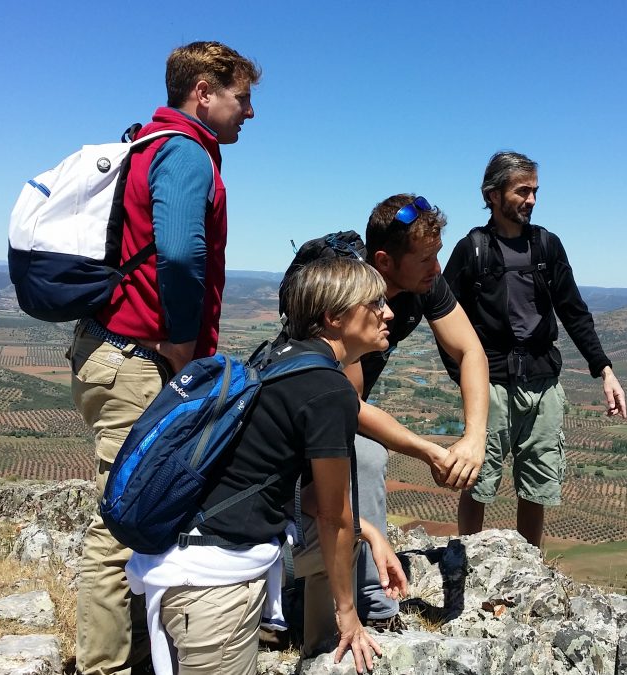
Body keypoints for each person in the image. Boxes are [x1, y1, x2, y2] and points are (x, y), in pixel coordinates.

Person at [68, 41, 259, 675]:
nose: (249, 114)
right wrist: (181, 342)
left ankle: (138, 651)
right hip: (138, 358)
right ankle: (104, 665)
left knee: (139, 504)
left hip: (114, 351)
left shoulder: (149, 144)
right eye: (242, 97)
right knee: (121, 516)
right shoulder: (183, 152)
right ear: (203, 91)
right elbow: (180, 255)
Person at [127, 256, 408, 675]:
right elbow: (332, 515)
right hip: (213, 587)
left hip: (182, 553)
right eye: (374, 304)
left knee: (350, 536)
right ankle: (336, 635)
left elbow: (289, 488)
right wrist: (350, 614)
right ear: (333, 317)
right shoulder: (328, 390)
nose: (388, 313)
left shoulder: (279, 357)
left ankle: (321, 650)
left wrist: (367, 532)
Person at [296, 194, 490, 651]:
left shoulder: (422, 284)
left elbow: (470, 351)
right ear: (384, 261)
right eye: (425, 258)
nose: (437, 269)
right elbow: (349, 404)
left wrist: (474, 437)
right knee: (365, 457)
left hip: (340, 406)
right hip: (309, 413)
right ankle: (372, 607)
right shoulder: (347, 296)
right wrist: (426, 449)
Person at [444, 151, 627, 549]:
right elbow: (443, 319)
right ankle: (465, 565)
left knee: (537, 485)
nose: (531, 200)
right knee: (477, 480)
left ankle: (528, 570)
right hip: (489, 384)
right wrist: (464, 377)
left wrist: (605, 370)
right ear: (492, 195)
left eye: (534, 191)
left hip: (543, 382)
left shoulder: (547, 246)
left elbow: (574, 311)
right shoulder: (471, 250)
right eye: (522, 191)